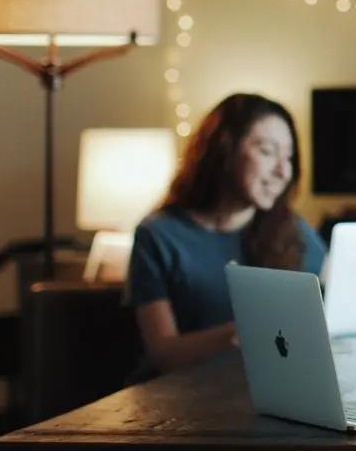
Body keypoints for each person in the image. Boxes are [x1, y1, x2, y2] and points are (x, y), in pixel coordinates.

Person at [126, 93, 326, 376]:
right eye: (267, 151)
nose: (284, 171)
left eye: (289, 157)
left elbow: (334, 306)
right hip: (179, 398)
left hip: (265, 392)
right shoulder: (159, 235)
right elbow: (162, 353)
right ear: (225, 150)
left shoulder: (291, 229)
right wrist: (242, 332)